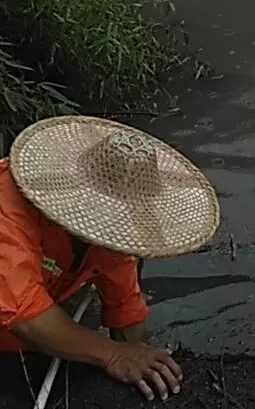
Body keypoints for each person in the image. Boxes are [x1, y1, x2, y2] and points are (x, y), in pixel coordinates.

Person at [0, 115, 220, 401]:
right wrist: (113, 354)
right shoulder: (7, 206)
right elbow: (24, 314)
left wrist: (140, 358)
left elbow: (125, 305)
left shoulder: (111, 234)